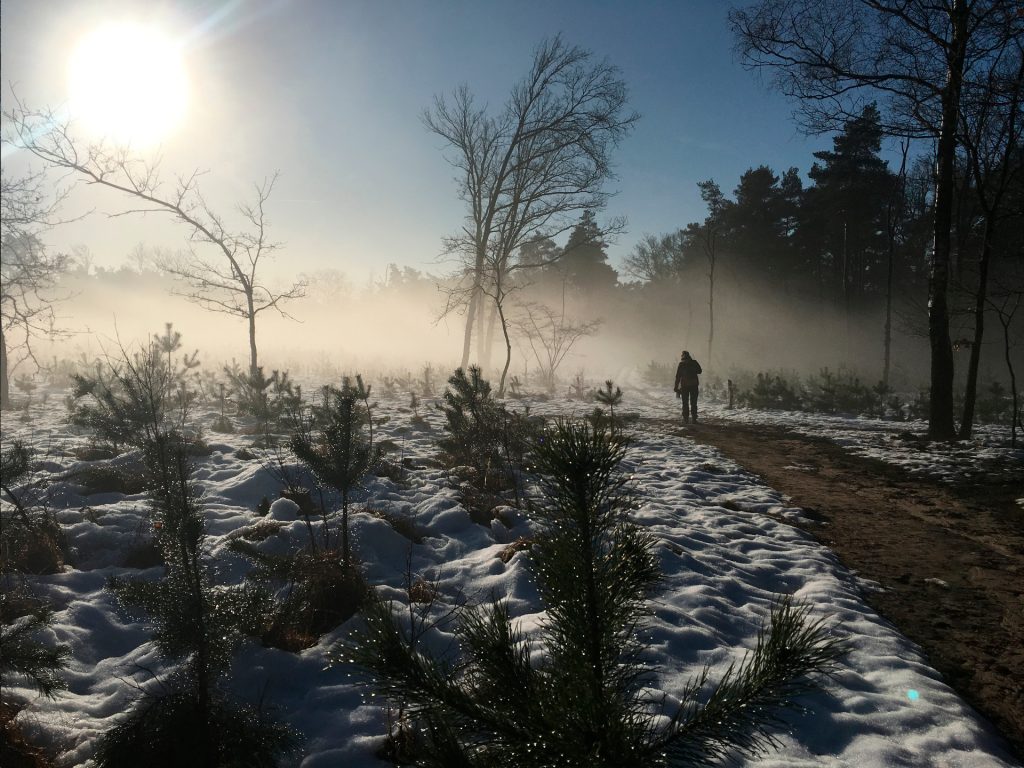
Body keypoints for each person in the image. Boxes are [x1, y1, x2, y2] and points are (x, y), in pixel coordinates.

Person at [673, 350, 702, 423]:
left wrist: (676, 387)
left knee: (685, 403)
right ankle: (694, 419)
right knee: (693, 403)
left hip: (685, 386)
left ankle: (686, 419)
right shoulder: (694, 362)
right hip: (693, 385)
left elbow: (678, 377)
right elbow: (700, 371)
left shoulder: (681, 364)